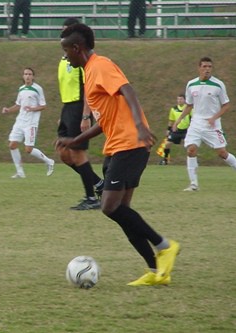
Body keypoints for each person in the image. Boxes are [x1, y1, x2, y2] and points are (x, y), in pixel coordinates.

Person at [58, 23, 179, 286]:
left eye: (66, 50)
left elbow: (128, 90)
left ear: (77, 48)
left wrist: (138, 125)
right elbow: (104, 120)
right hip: (116, 146)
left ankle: (164, 245)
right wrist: (74, 140)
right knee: (122, 211)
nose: (65, 56)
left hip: (130, 144)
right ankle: (156, 270)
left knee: (109, 207)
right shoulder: (89, 72)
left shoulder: (100, 65)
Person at [57, 17, 103, 210]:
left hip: (79, 107)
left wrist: (86, 115)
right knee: (64, 154)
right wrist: (64, 113)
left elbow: (87, 88)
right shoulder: (65, 58)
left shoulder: (83, 60)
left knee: (77, 152)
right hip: (68, 107)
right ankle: (100, 184)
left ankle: (91, 198)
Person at [173, 56, 236, 191]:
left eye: (209, 67)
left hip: (212, 125)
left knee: (222, 153)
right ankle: (194, 184)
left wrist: (214, 117)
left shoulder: (218, 85)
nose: (207, 69)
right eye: (204, 67)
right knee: (191, 150)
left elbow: (226, 105)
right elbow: (189, 105)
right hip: (196, 123)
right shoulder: (191, 84)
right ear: (199, 68)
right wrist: (178, 120)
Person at [2, 67, 54, 178]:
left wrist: (32, 109)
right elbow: (18, 105)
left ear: (33, 76)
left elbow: (43, 106)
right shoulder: (21, 89)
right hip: (20, 121)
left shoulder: (38, 89)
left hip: (31, 123)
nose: (27, 76)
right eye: (25, 74)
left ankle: (49, 161)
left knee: (28, 149)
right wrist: (8, 110)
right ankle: (20, 172)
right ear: (23, 76)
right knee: (12, 145)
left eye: (30, 74)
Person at [159, 94, 191, 165]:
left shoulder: (189, 108)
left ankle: (190, 161)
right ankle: (165, 160)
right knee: (167, 144)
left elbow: (192, 118)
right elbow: (171, 120)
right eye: (178, 99)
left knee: (190, 145)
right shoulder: (173, 109)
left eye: (181, 99)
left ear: (185, 100)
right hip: (176, 130)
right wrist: (168, 129)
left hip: (186, 130)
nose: (179, 101)